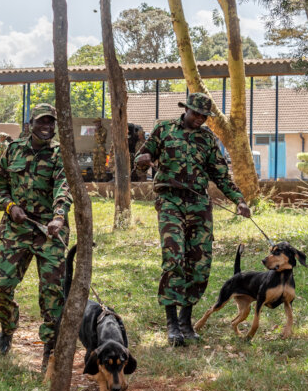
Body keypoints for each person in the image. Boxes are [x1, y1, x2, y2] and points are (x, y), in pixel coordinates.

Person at [135, 92, 251, 347]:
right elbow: (141, 160)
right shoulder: (163, 129)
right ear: (185, 109)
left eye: (204, 116)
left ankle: (186, 321)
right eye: (195, 113)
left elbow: (220, 175)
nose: (199, 119)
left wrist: (239, 200)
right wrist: (142, 163)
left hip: (198, 204)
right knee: (174, 257)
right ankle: (172, 324)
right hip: (170, 201)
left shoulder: (208, 139)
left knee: (199, 265)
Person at [0, 104, 71, 373]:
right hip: (16, 229)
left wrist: (59, 217)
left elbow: (64, 187)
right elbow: (0, 186)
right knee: (1, 285)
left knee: (52, 292)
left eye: (51, 122)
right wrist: (10, 207)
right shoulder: (12, 150)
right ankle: (7, 329)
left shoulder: (61, 154)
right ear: (30, 124)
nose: (46, 126)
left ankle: (50, 347)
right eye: (41, 122)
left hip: (49, 230)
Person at [92, 117, 109, 181]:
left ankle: (103, 176)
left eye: (96, 123)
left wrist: (97, 132)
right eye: (95, 123)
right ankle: (97, 177)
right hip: (96, 148)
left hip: (101, 148)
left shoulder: (103, 130)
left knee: (102, 162)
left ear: (100, 123)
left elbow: (101, 140)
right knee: (95, 163)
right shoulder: (96, 130)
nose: (95, 124)